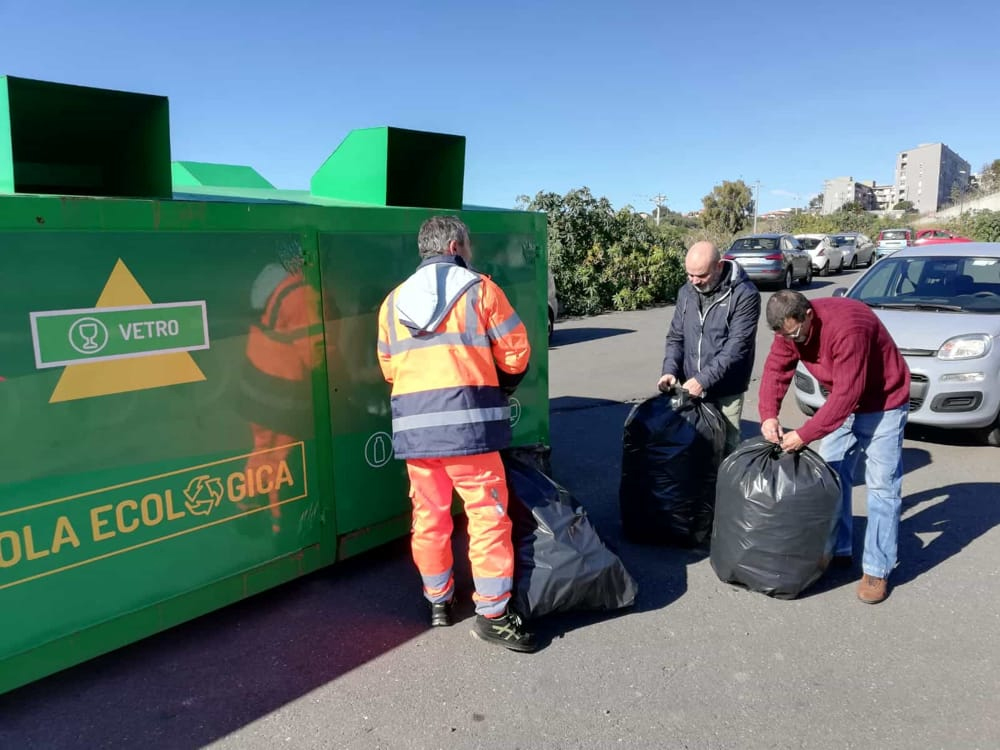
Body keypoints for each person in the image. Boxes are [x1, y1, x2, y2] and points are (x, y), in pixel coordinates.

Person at [377, 215, 536, 652]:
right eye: (467, 245)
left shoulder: (392, 302)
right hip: (468, 429)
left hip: (416, 432)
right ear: (453, 247)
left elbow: (389, 368)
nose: (470, 252)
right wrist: (499, 386)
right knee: (486, 516)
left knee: (429, 517)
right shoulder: (480, 289)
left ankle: (438, 600)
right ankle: (493, 614)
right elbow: (516, 354)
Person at [758, 290, 910, 604]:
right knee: (831, 474)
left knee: (882, 487)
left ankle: (877, 569)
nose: (794, 341)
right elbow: (776, 369)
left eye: (796, 334)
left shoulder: (847, 328)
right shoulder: (788, 329)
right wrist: (768, 415)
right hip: (841, 400)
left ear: (808, 314)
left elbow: (849, 394)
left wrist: (805, 434)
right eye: (785, 336)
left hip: (883, 402)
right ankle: (838, 548)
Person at [657, 241, 761, 455]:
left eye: (701, 275)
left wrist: (703, 380)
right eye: (689, 274)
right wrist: (670, 370)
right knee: (692, 445)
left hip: (726, 389)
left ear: (719, 266)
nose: (694, 281)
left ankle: (724, 477)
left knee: (726, 445)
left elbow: (737, 347)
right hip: (690, 386)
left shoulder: (745, 294)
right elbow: (676, 336)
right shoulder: (686, 292)